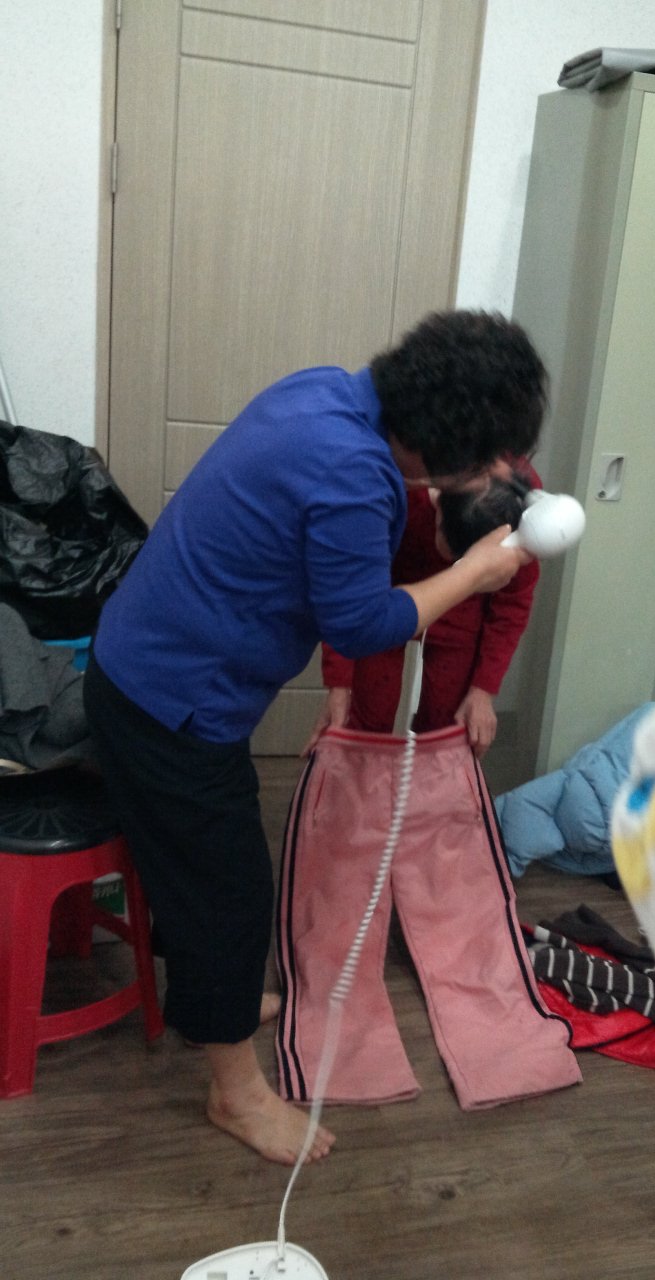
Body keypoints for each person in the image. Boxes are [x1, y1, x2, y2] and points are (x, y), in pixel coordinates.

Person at [82, 309, 547, 1165]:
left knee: (199, 871)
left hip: (146, 665)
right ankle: (235, 1093)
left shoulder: (324, 392)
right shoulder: (355, 477)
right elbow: (362, 623)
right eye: (487, 458)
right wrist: (473, 571)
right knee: (231, 896)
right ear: (440, 445)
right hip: (168, 701)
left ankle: (215, 1003)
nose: (497, 473)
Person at [305, 462, 541, 758]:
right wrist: (339, 686)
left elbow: (512, 607)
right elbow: (346, 592)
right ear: (438, 502)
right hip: (383, 599)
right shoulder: (390, 488)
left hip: (462, 612)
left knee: (447, 731)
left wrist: (484, 690)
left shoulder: (524, 518)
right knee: (365, 721)